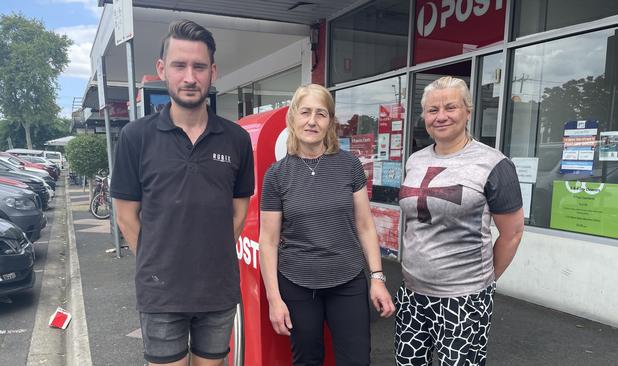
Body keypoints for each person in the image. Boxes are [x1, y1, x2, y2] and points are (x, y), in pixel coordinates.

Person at [110, 20, 254, 366]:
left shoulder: (236, 140)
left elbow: (238, 214)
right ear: (162, 69)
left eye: (199, 66)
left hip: (217, 288)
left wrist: (208, 252)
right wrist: (159, 261)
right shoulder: (135, 137)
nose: (190, 77)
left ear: (213, 71)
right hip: (160, 292)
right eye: (179, 65)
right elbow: (126, 215)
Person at [259, 84, 395, 366]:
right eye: (305, 112)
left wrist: (377, 278)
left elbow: (365, 225)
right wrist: (274, 299)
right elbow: (268, 241)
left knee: (356, 360)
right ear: (293, 118)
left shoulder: (349, 165)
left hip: (347, 281)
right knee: (307, 360)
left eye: (321, 114)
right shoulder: (277, 176)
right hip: (297, 284)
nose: (312, 121)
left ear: (330, 122)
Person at [395, 76, 524, 366]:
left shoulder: (494, 164)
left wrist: (483, 282)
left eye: (450, 107)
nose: (441, 116)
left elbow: (512, 233)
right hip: (412, 292)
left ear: (468, 111)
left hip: (464, 298)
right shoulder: (415, 160)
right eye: (432, 110)